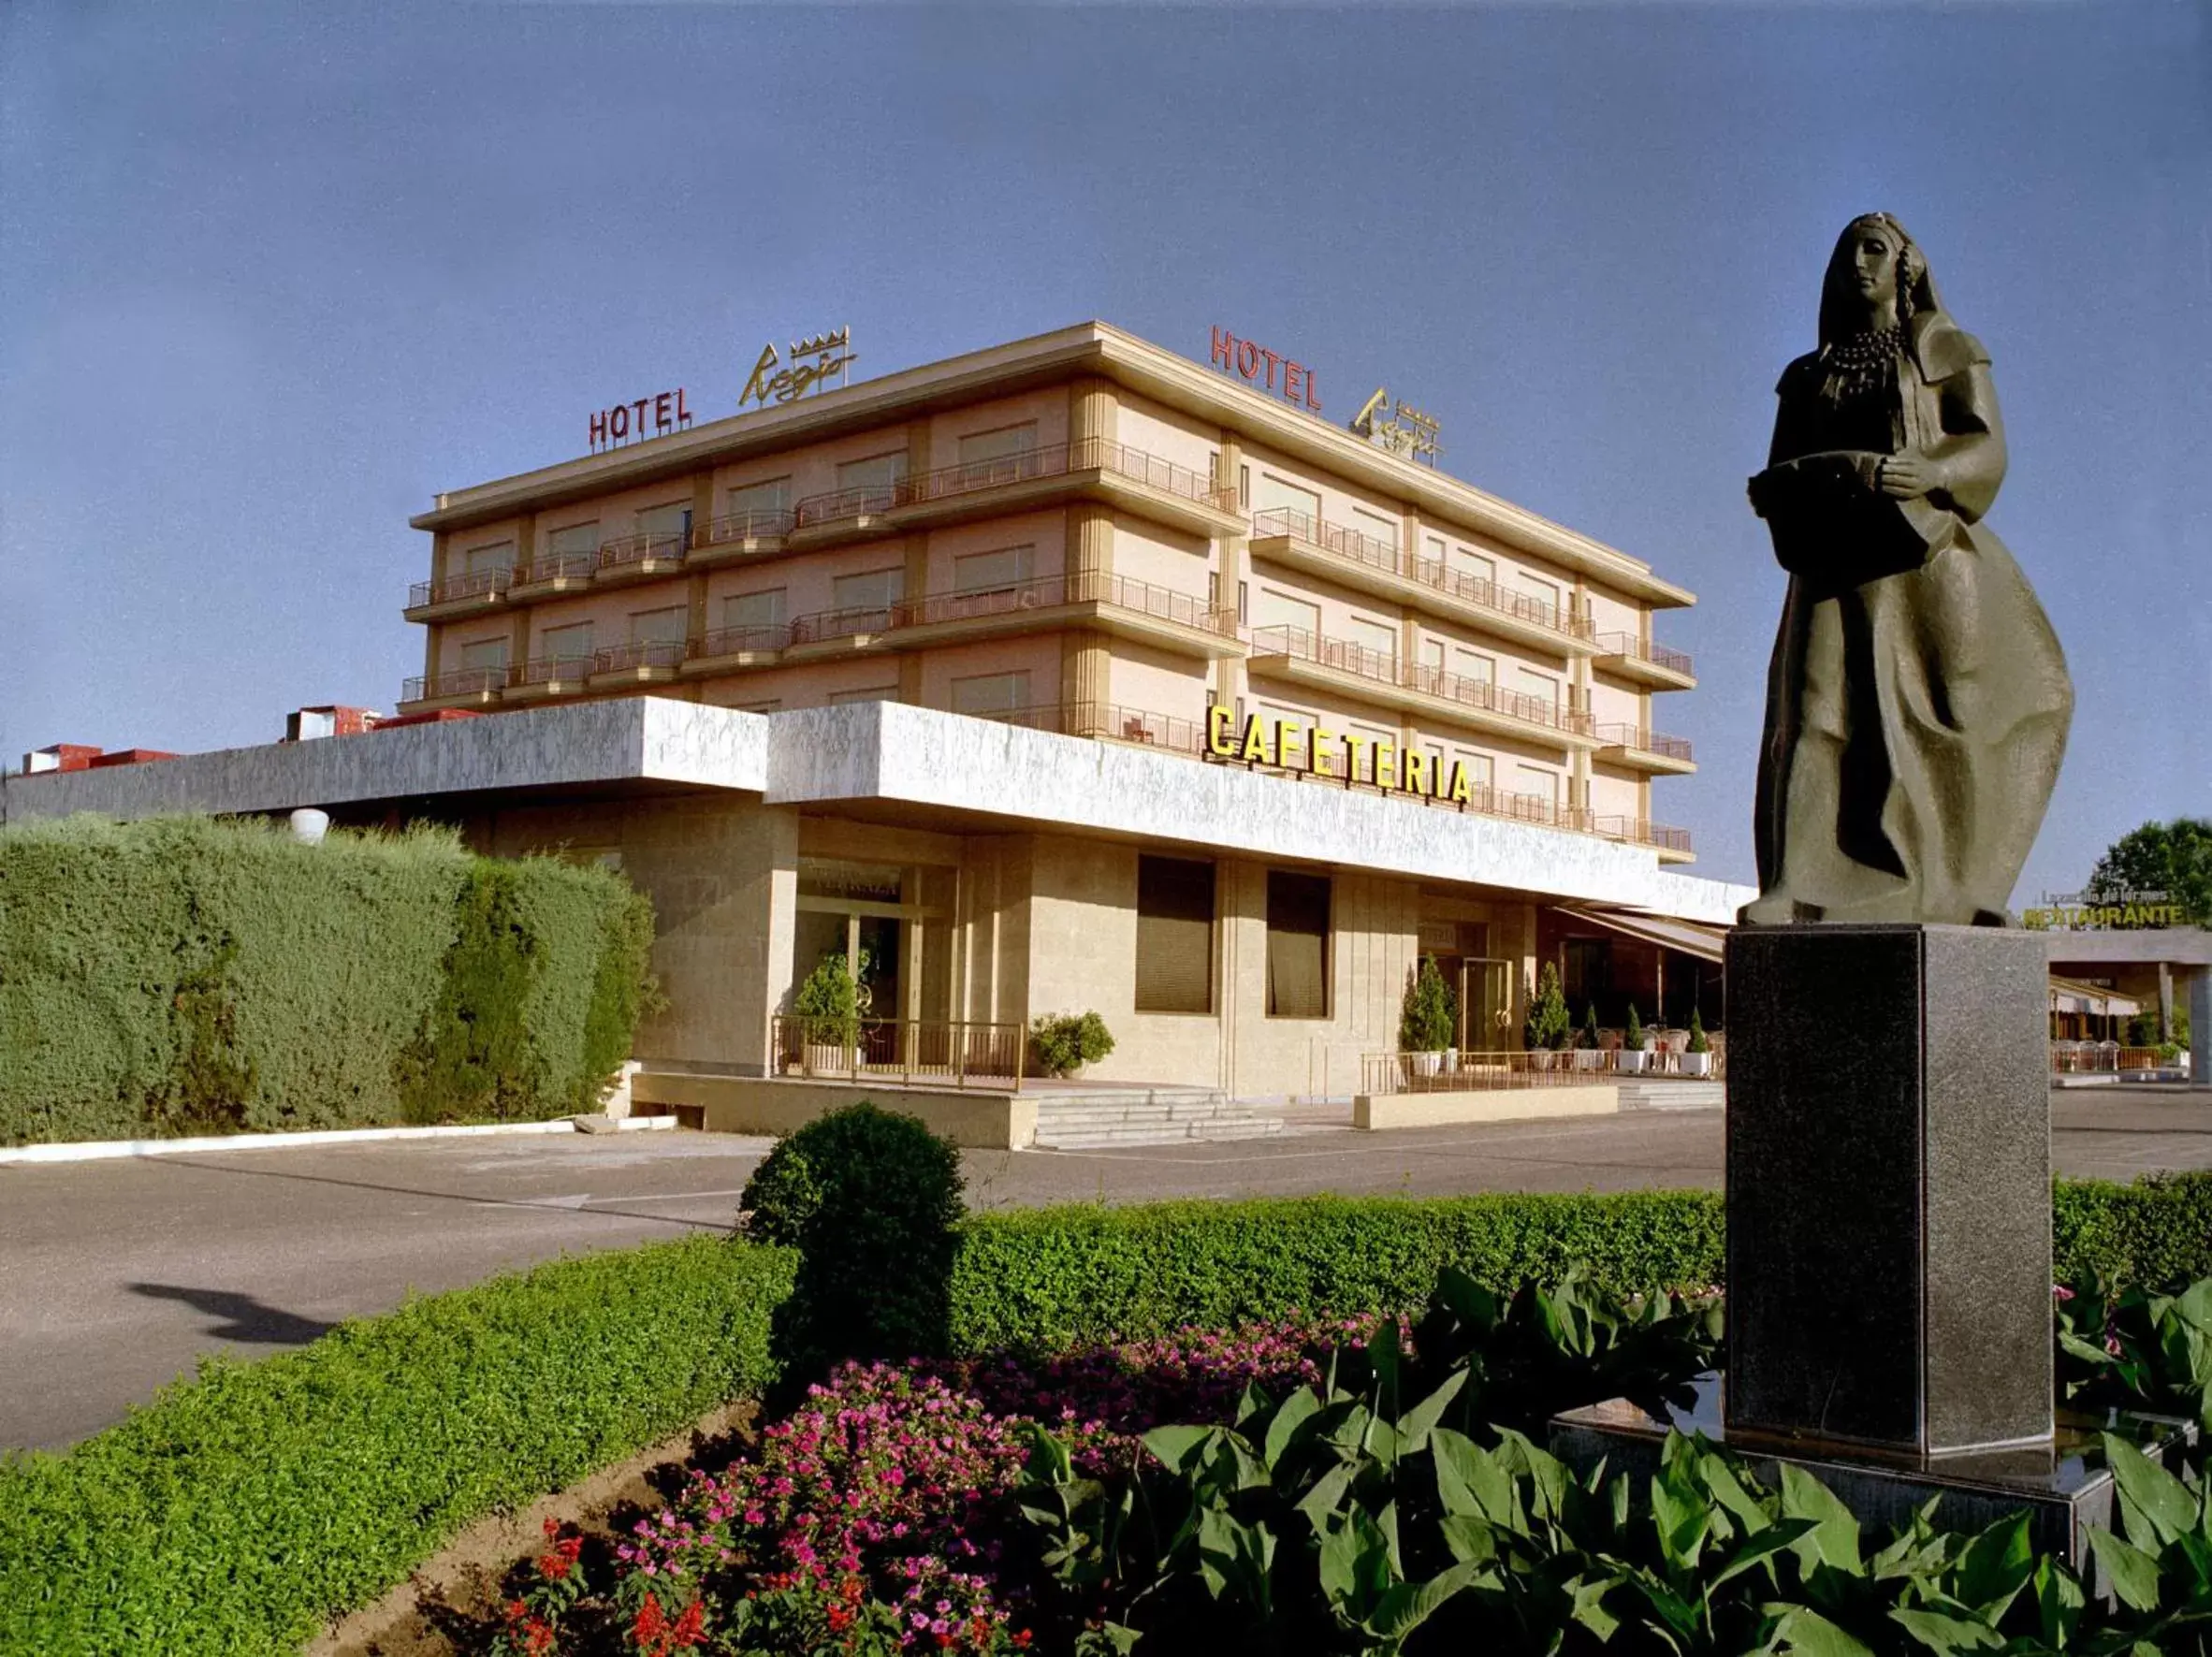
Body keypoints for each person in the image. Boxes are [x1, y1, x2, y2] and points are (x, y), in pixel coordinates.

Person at [1742, 213, 2072, 926]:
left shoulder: (1945, 348)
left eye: (1875, 249)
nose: (1860, 263)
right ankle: (1794, 884)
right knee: (1814, 712)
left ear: (1906, 267)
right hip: (1833, 563)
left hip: (1929, 555)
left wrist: (1930, 469)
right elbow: (1778, 468)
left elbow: (1988, 454)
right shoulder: (1806, 375)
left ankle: (1967, 886)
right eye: (1848, 251)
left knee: (1960, 709)